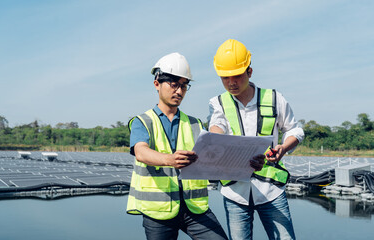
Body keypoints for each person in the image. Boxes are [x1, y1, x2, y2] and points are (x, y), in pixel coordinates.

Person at [208, 39, 305, 240]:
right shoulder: (218, 103)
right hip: (235, 192)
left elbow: (295, 130)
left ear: (249, 72)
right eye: (225, 77)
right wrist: (213, 139)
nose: (231, 83)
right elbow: (216, 126)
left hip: (271, 189)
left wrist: (284, 148)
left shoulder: (275, 98)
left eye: (236, 76)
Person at [127, 52, 228, 240]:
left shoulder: (196, 124)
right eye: (174, 85)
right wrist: (169, 159)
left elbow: (213, 156)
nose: (179, 91)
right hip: (158, 212)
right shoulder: (143, 121)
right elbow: (141, 152)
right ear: (157, 84)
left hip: (194, 208)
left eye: (184, 86)